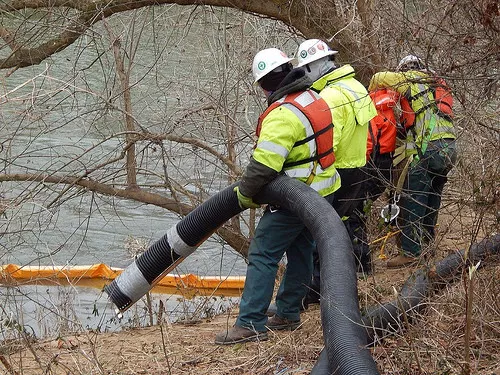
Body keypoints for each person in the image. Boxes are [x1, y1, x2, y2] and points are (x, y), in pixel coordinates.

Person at [214, 48, 341, 345]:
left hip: (296, 197)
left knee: (263, 253)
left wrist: (244, 196)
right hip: (324, 192)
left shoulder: (282, 114)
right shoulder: (313, 97)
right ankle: (287, 312)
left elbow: (263, 166)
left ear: (263, 85)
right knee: (300, 251)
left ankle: (250, 323)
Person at [295, 39, 377, 304]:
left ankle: (319, 286)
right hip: (360, 165)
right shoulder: (356, 86)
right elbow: (370, 130)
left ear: (316, 66)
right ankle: (362, 267)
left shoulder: (329, 96)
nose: (305, 75)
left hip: (337, 169)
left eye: (306, 69)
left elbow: (329, 140)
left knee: (324, 228)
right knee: (353, 221)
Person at [368, 55, 457, 268]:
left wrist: (370, 93)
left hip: (429, 149)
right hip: (450, 149)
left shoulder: (410, 80)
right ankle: (427, 246)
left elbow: (379, 77)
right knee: (432, 198)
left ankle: (410, 252)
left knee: (414, 198)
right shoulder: (437, 84)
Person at [345, 88, 414, 274]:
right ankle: (361, 263)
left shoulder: (371, 110)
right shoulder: (389, 108)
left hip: (371, 163)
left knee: (356, 212)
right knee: (360, 211)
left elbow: (369, 141)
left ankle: (361, 265)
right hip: (386, 162)